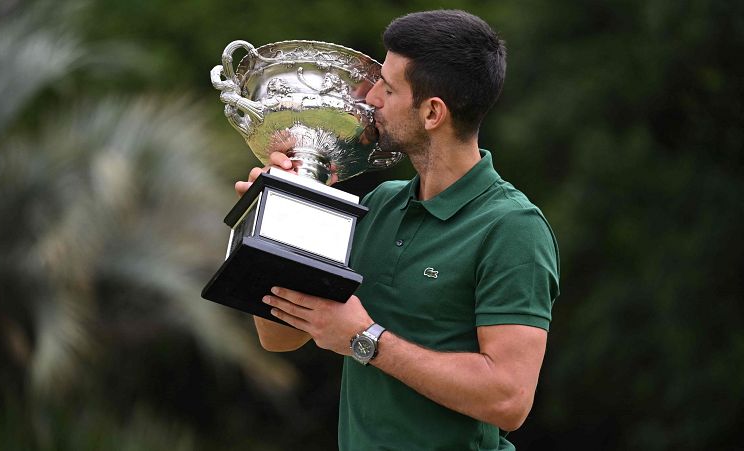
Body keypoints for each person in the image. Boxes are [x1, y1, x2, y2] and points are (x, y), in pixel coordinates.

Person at [234, 10, 559, 451]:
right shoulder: (379, 205)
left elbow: (508, 399)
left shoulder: (512, 227)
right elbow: (280, 336)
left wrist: (364, 339)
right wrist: (283, 208)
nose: (369, 98)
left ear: (431, 113)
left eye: (387, 87)